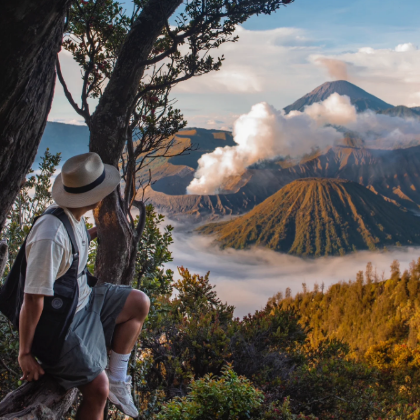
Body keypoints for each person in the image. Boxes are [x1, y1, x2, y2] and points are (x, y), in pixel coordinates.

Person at [18, 152, 149, 420]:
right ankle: (106, 383)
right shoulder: (50, 236)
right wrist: (25, 353)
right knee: (97, 390)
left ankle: (118, 378)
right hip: (62, 322)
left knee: (139, 302)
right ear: (93, 196)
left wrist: (95, 234)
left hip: (83, 301)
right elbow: (32, 299)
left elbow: (70, 253)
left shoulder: (73, 216)